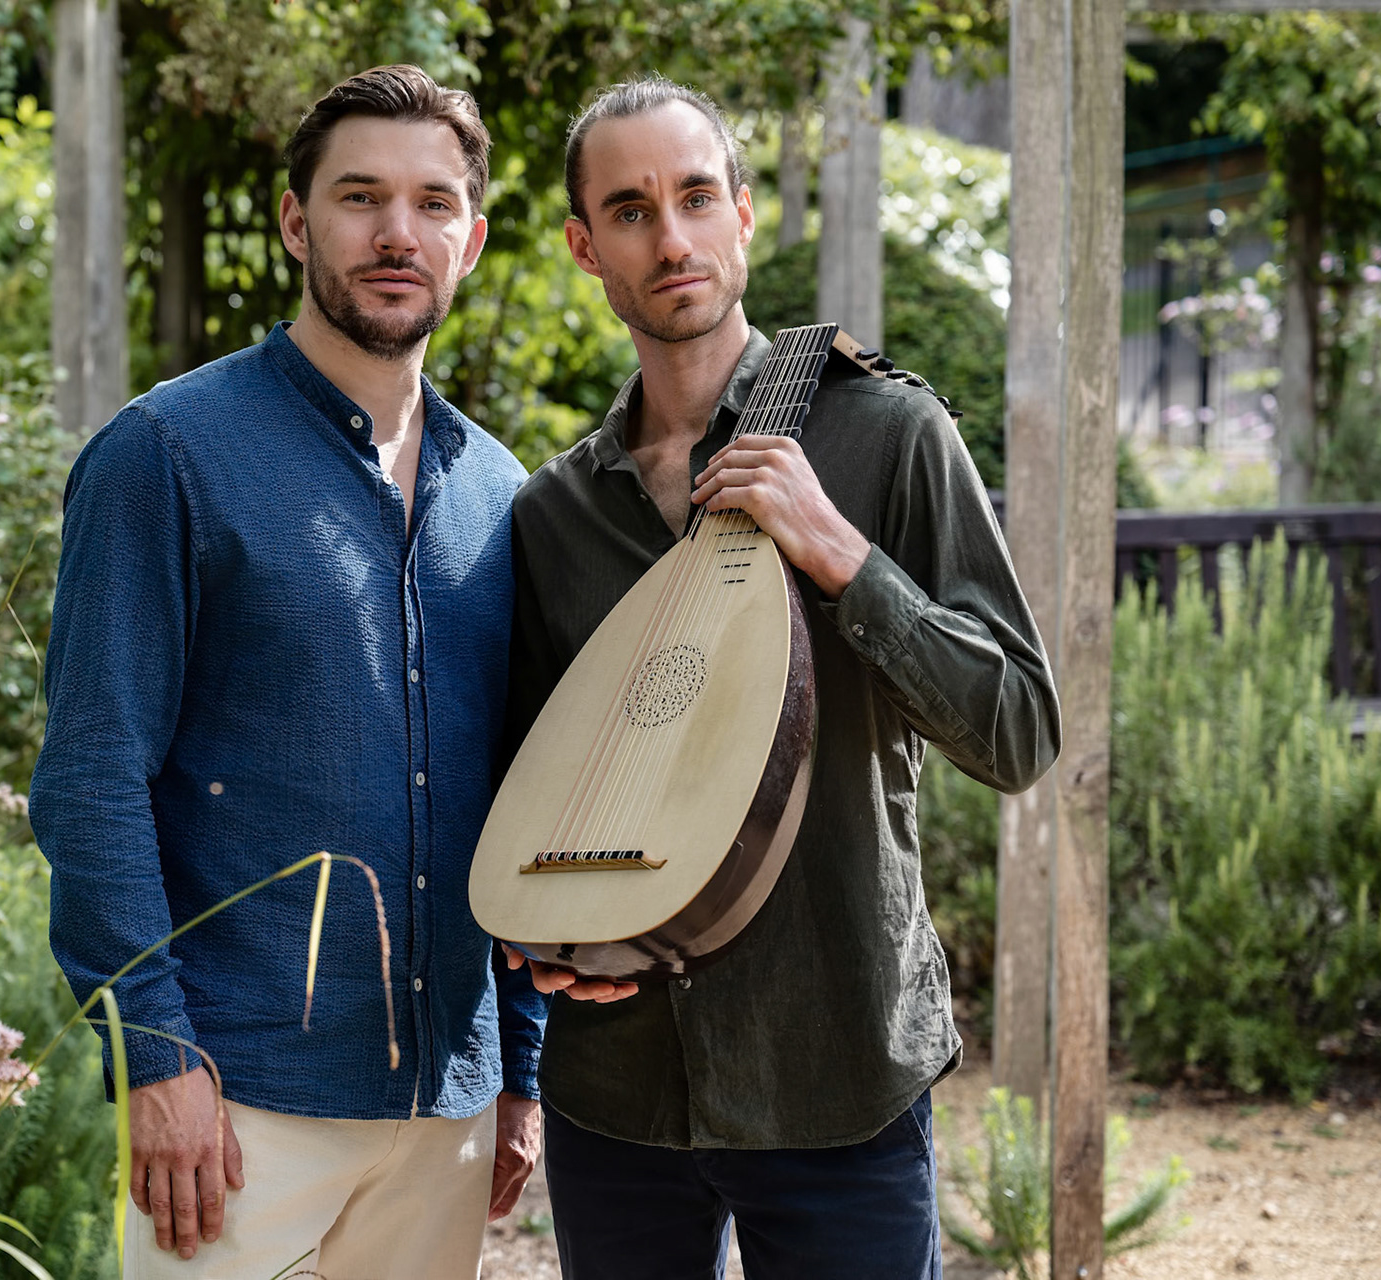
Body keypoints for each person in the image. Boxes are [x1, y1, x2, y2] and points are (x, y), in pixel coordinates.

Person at [503, 75, 1061, 1279]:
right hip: (618, 1094)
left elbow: (1018, 728)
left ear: (746, 213)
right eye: (632, 208)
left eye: (698, 195)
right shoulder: (554, 513)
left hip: (836, 1071)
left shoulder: (887, 433)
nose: (674, 236)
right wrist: (545, 941)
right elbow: (533, 783)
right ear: (583, 245)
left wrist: (842, 554)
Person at [30, 64, 544, 1280]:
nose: (396, 233)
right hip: (236, 1104)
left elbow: (527, 802)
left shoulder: (504, 496)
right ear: (294, 220)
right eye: (360, 196)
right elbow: (92, 774)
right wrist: (154, 1056)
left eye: (432, 203)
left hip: (444, 1106)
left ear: (470, 238)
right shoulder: (165, 456)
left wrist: (522, 1069)